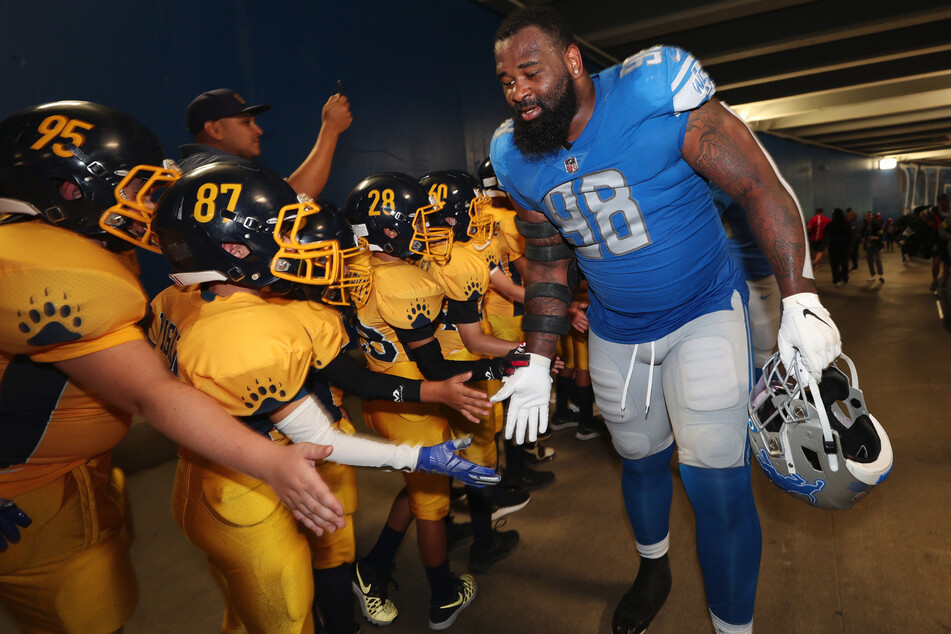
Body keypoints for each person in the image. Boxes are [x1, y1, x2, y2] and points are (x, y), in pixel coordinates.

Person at [488, 8, 841, 634]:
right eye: (506, 81)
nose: (517, 92)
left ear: (572, 61)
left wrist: (799, 296)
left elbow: (758, 185)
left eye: (529, 73)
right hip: (616, 327)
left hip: (705, 309)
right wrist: (537, 357)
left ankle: (734, 628)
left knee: (716, 480)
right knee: (640, 458)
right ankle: (653, 568)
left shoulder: (655, 90)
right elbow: (546, 259)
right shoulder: (513, 155)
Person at [0, 101, 343, 634]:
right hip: (27, 495)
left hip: (72, 474)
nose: (147, 204)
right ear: (69, 191)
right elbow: (150, 394)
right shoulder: (45, 270)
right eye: (133, 188)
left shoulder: (59, 245)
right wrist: (269, 461)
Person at [134, 162, 499, 634]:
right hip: (251, 492)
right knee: (286, 616)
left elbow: (353, 378)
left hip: (206, 477)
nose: (299, 242)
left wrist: (432, 392)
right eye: (284, 233)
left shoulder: (175, 297)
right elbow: (320, 436)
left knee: (248, 613)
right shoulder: (251, 333)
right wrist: (419, 455)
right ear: (233, 248)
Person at [344, 172, 528, 630]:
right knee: (433, 505)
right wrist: (502, 365)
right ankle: (442, 595)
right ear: (391, 227)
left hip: (382, 390)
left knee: (418, 487)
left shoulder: (358, 267)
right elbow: (438, 368)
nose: (428, 230)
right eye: (419, 220)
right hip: (417, 401)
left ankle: (372, 566)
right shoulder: (406, 281)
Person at [179, 87, 351, 198]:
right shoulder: (204, 169)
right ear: (214, 130)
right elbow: (292, 199)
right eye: (246, 122)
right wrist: (330, 130)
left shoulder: (216, 166)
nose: (258, 130)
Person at [710, 183, 781, 380]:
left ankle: (764, 401)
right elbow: (704, 216)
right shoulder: (725, 184)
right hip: (739, 276)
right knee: (747, 351)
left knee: (764, 350)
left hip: (765, 274)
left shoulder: (764, 180)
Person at [825, 208, 853, 287]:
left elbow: (826, 234)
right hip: (844, 247)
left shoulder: (830, 224)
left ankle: (836, 280)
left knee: (834, 265)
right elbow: (850, 236)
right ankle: (845, 278)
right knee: (844, 263)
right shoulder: (847, 224)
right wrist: (851, 246)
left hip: (833, 247)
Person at [861, 210, 885, 286]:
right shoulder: (864, 226)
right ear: (865, 217)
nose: (868, 217)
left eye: (870, 215)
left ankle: (880, 274)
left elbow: (881, 235)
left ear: (872, 216)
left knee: (877, 259)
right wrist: (863, 238)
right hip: (868, 245)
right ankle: (872, 275)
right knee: (869, 260)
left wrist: (874, 237)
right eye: (867, 216)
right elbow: (862, 234)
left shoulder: (877, 225)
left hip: (877, 244)